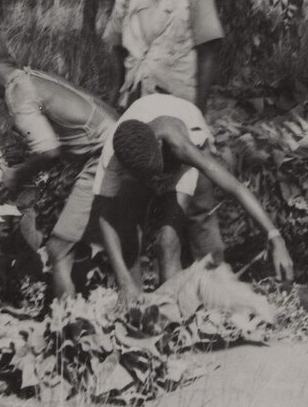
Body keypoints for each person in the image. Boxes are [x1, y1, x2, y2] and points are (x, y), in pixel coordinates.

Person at [103, 0, 228, 269]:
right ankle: (135, 284)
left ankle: (213, 280)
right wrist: (116, 95)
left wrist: (198, 112)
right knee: (133, 195)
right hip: (137, 108)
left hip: (180, 108)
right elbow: (116, 49)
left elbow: (209, 54)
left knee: (195, 199)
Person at [91, 93, 294, 308]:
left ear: (160, 147)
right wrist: (124, 282)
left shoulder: (181, 145)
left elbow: (233, 186)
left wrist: (275, 237)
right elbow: (104, 214)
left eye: (157, 176)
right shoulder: (113, 155)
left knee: (168, 241)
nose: (155, 185)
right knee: (127, 225)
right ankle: (141, 305)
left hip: (186, 133)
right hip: (147, 144)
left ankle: (176, 311)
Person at [0, 34, 117, 299]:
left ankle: (66, 322)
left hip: (104, 156)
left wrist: (15, 175)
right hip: (110, 147)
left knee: (59, 249)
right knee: (61, 224)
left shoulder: (17, 92)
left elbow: (49, 151)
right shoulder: (30, 75)